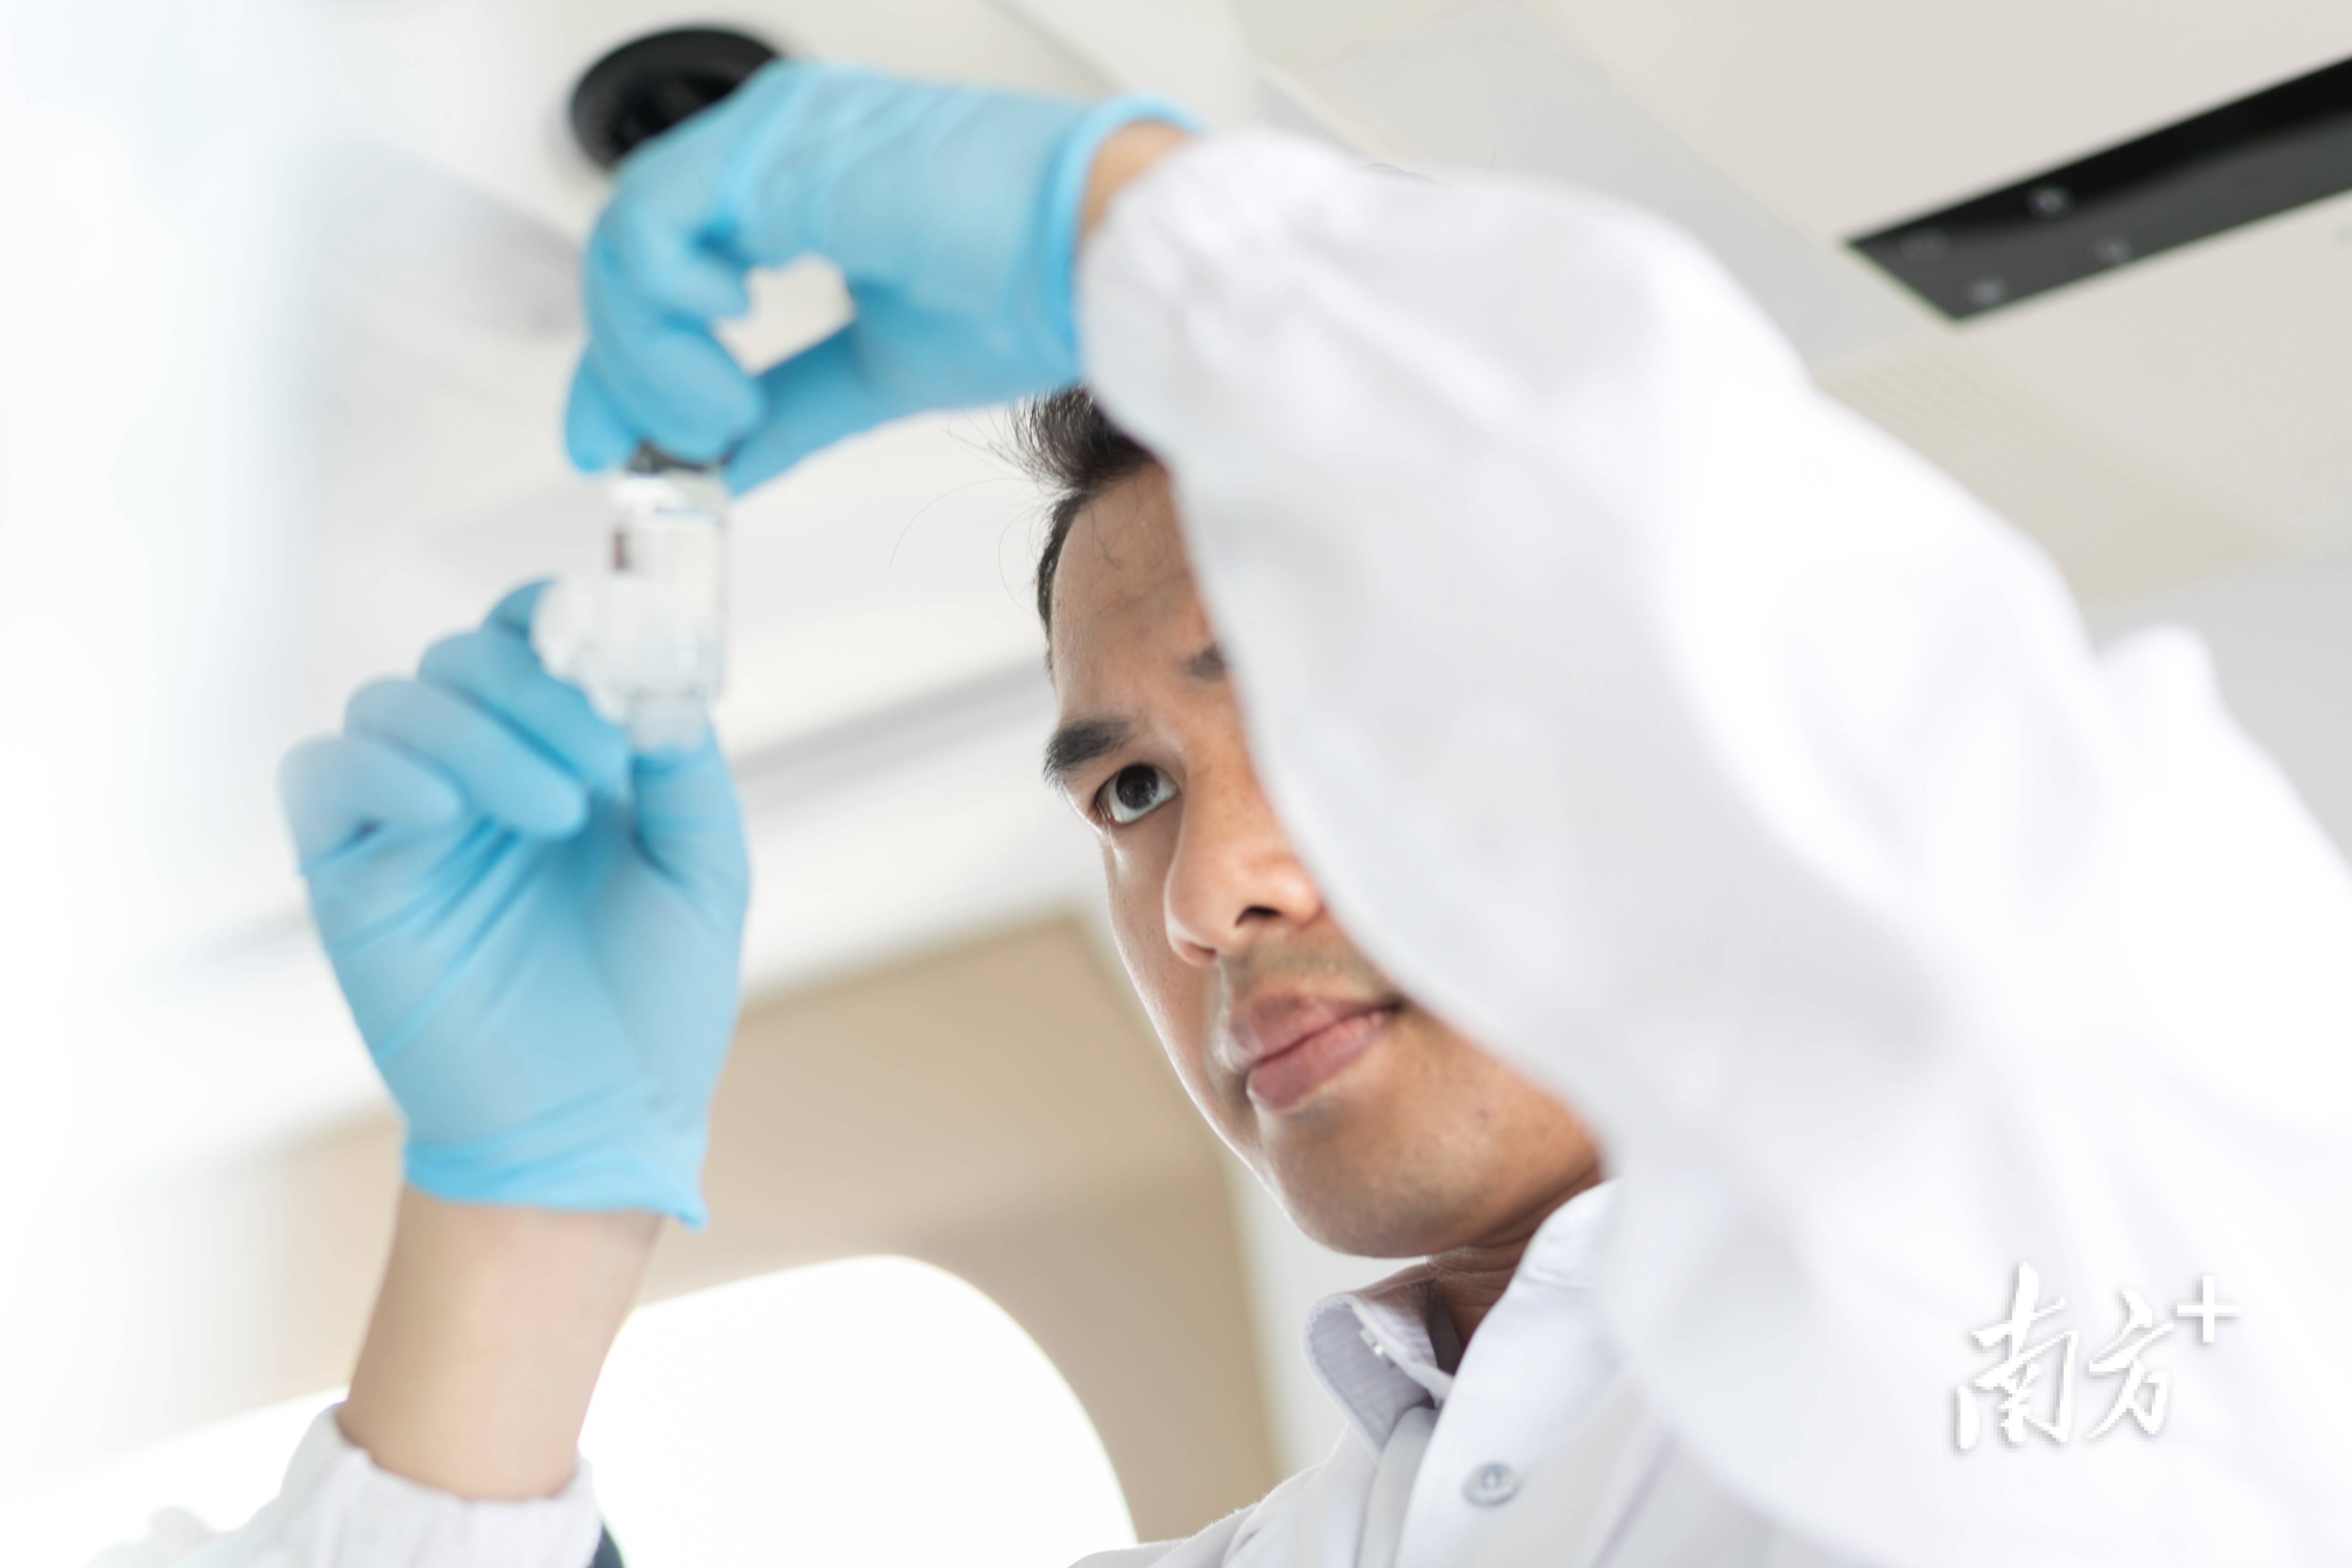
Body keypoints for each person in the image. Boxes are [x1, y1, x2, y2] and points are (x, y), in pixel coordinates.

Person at [123, 59, 2351, 1568]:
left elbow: (2048, 932)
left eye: (1320, 711)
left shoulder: (2045, 1351)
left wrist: (1164, 238)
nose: (1206, 891)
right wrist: (523, 1230)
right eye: (1132, 787)